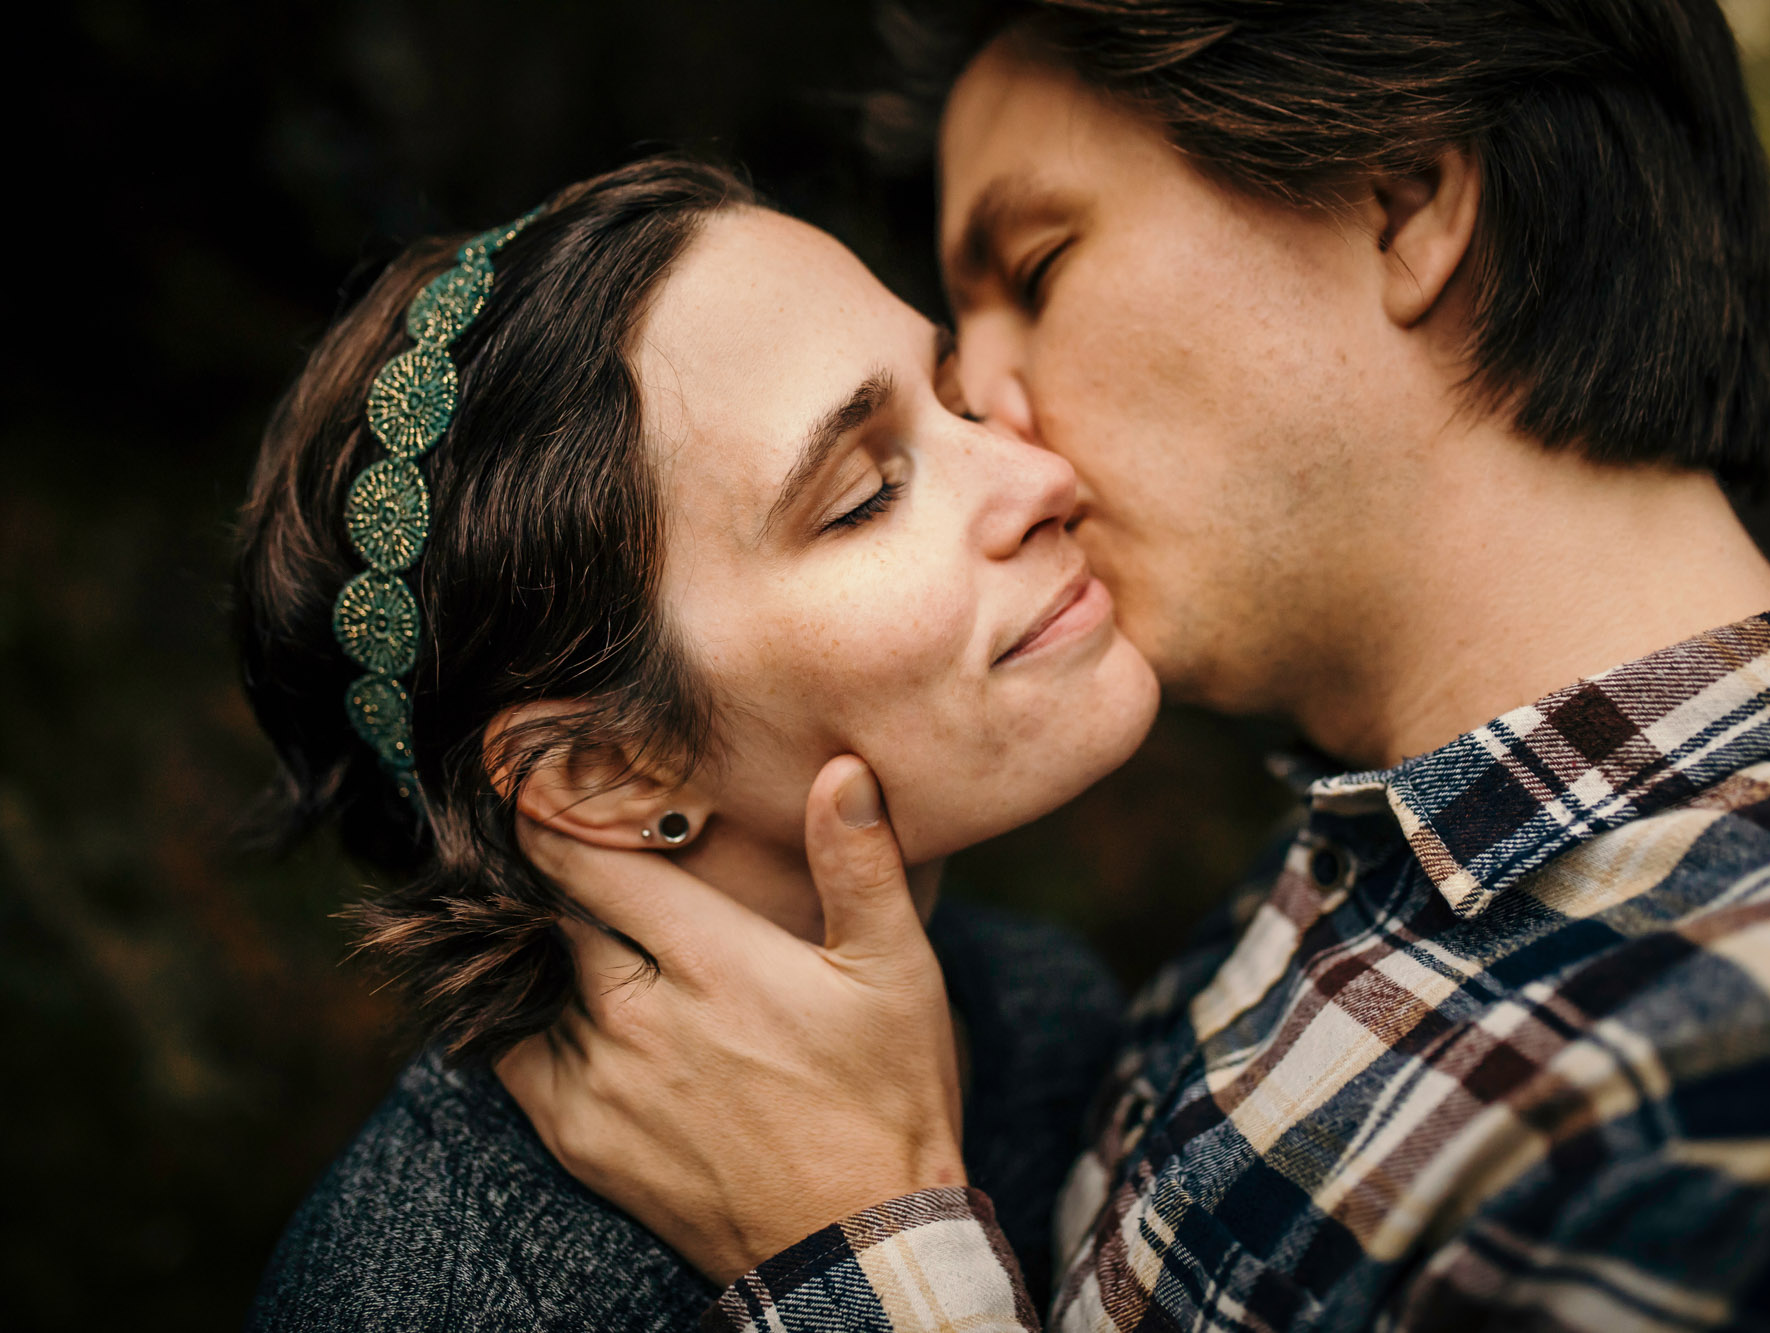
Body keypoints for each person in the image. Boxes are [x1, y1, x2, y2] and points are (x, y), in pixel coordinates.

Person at [494, 2, 1770, 1329]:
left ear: (1398, 197)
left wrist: (861, 1248)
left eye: (1036, 269)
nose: (983, 399)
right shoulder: (1348, 870)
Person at [234, 156, 1161, 1329]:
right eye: (865, 492)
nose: (1041, 475)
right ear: (606, 771)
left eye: (959, 401)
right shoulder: (423, 1299)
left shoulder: (1039, 1010)